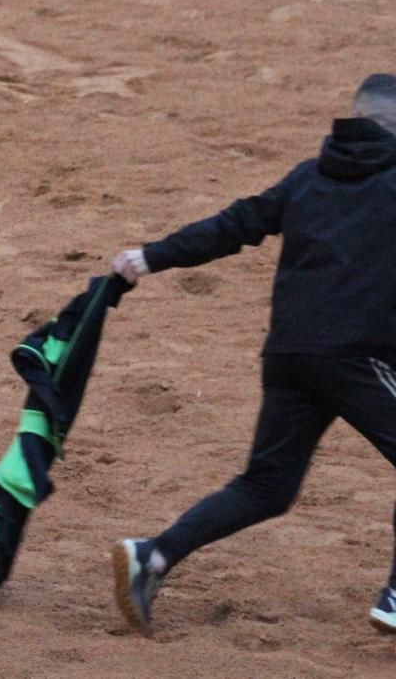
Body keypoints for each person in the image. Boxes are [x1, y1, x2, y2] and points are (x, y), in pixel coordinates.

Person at [108, 73, 396, 636]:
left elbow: (235, 224)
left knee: (267, 486)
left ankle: (155, 556)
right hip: (357, 357)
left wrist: (150, 257)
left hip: (289, 356)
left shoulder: (309, 177)